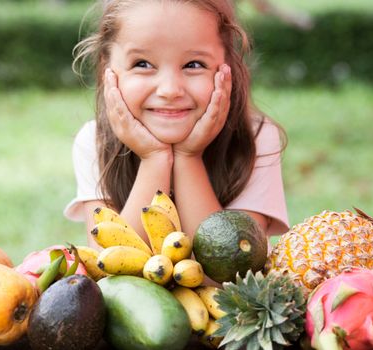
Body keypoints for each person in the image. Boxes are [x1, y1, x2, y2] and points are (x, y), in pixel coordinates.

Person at [64, 0, 289, 254]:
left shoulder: (256, 139)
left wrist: (188, 157)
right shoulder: (95, 141)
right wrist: (155, 159)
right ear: (108, 68)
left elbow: (227, 275)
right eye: (143, 64)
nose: (170, 90)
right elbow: (109, 272)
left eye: (193, 65)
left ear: (228, 68)